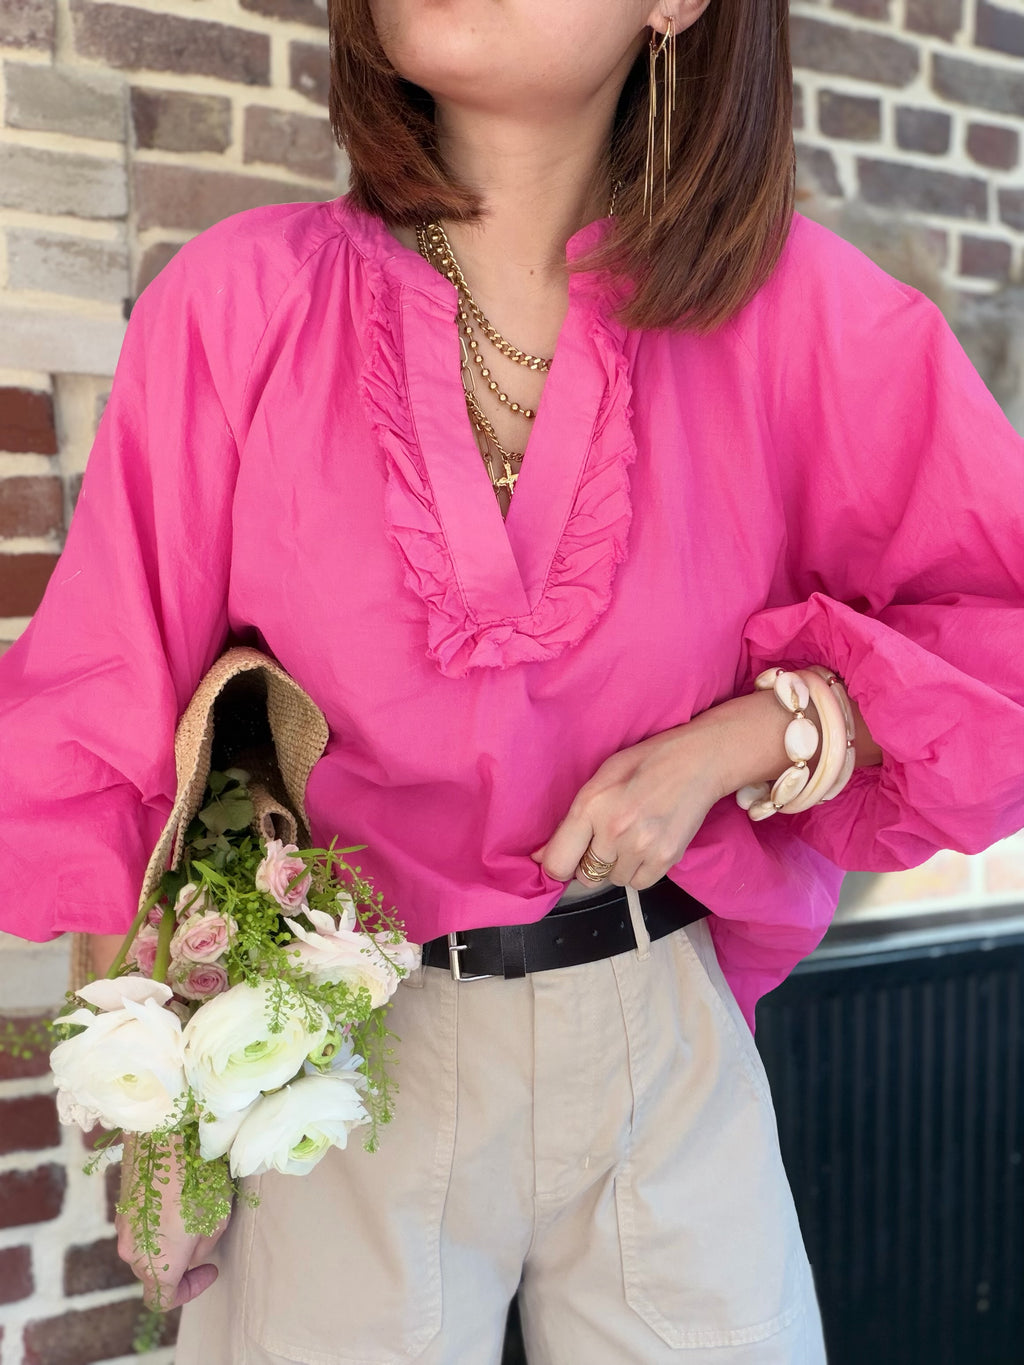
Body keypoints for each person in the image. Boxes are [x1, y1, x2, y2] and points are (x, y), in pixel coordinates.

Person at [1, 0, 1021, 1360]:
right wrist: (154, 1093)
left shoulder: (802, 322)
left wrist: (749, 734)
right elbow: (103, 713)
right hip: (341, 1052)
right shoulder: (244, 304)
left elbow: (997, 629)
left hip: (660, 1029)